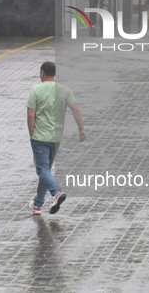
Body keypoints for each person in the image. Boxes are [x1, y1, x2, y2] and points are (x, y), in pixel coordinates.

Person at [27, 62, 86, 215]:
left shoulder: (36, 90)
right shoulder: (64, 91)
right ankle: (37, 205)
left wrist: (32, 133)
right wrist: (81, 130)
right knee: (45, 171)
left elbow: (30, 114)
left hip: (40, 137)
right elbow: (76, 109)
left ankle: (56, 192)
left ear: (42, 73)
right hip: (56, 138)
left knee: (42, 170)